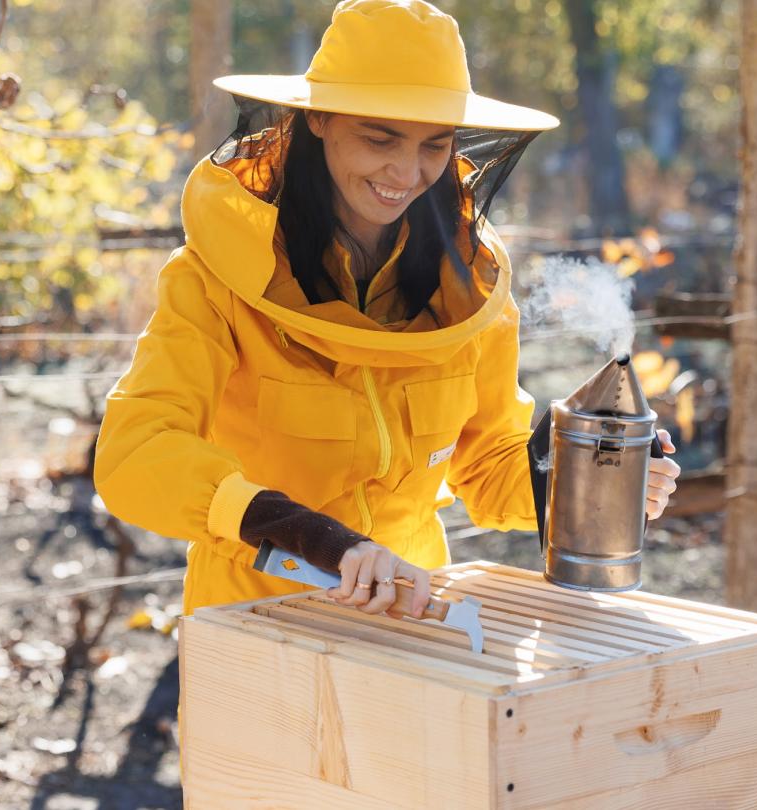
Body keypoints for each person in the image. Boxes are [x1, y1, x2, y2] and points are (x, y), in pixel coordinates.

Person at [93, 0, 681, 619]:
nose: (406, 172)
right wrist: (311, 534)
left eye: (436, 144)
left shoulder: (469, 290)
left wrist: (598, 479)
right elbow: (137, 451)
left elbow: (487, 470)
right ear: (317, 119)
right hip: (256, 618)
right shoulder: (213, 279)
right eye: (380, 138)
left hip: (417, 614)